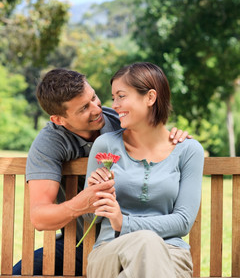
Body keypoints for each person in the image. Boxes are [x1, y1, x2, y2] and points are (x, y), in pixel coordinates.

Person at [12, 68, 190, 276]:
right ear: (59, 120)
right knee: (19, 273)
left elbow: (155, 137)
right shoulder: (49, 144)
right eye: (83, 108)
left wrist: (175, 136)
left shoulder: (117, 120)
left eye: (94, 97)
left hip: (142, 238)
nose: (97, 109)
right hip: (85, 244)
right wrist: (81, 204)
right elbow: (40, 217)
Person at [84, 62, 205, 278]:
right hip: (111, 254)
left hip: (171, 256)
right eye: (114, 98)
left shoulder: (188, 150)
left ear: (150, 97)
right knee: (145, 241)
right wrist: (94, 194)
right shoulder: (105, 146)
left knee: (147, 244)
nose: (115, 105)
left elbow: (183, 221)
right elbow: (90, 217)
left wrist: (125, 223)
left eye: (121, 96)